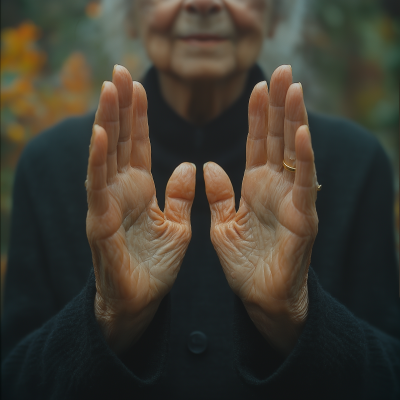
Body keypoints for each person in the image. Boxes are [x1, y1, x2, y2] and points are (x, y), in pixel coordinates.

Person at [2, 0, 399, 399]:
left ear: (277, 15)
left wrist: (294, 314)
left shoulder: (356, 163)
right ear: (129, 16)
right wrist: (109, 316)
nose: (203, 4)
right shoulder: (50, 165)